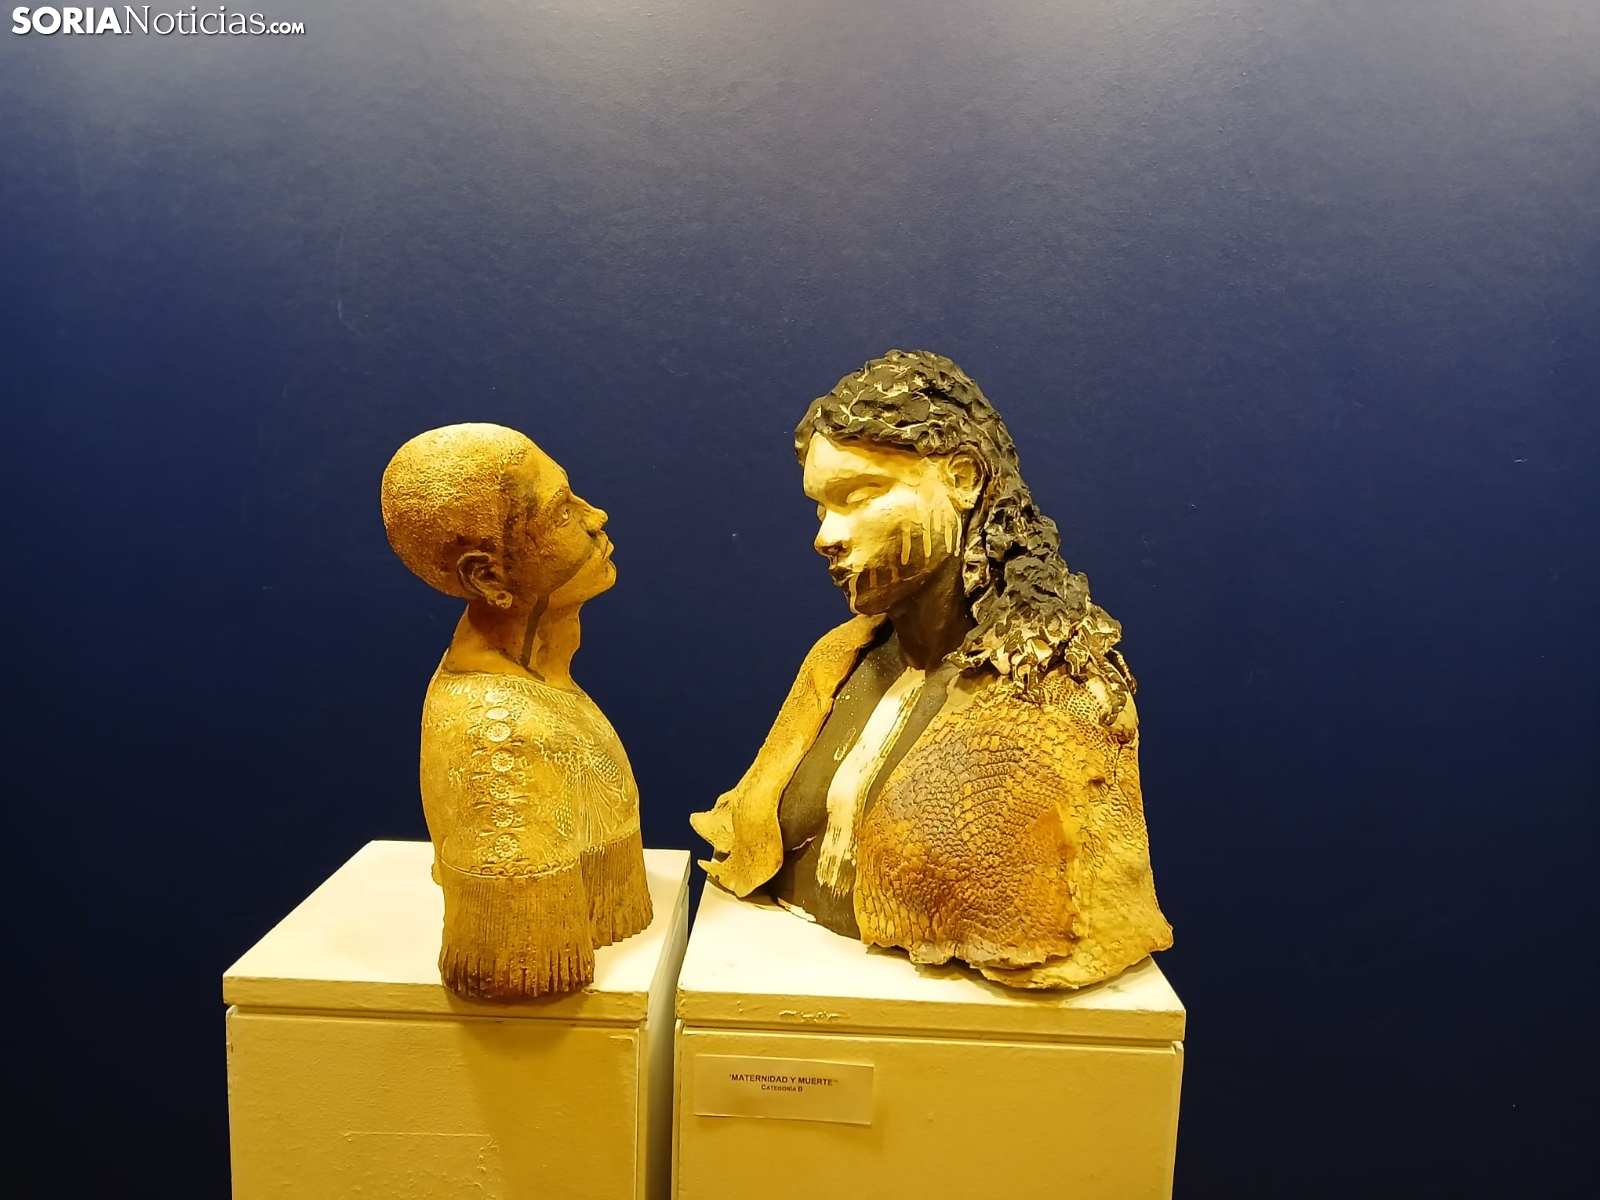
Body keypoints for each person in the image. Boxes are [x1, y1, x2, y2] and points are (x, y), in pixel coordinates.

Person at [691, 351, 1171, 988]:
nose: (826, 536)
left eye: (859, 496)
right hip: (783, 974)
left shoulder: (1061, 693)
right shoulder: (837, 659)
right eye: (820, 508)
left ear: (964, 479)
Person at [382, 423, 651, 1000]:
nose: (596, 516)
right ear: (489, 576)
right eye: (561, 513)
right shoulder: (498, 737)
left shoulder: (539, 682)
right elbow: (515, 963)